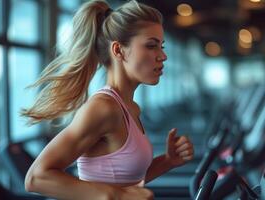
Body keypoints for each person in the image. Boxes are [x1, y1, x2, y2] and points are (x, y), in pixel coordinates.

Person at [22, 0, 194, 199]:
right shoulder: (103, 108)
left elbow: (126, 182)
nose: (163, 56)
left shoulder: (130, 108)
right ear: (118, 50)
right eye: (151, 46)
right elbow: (36, 177)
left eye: (161, 46)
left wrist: (168, 161)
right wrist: (117, 196)